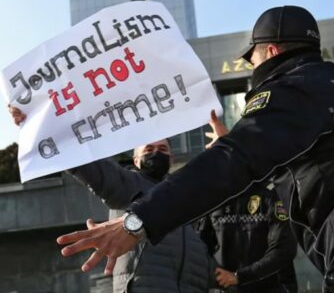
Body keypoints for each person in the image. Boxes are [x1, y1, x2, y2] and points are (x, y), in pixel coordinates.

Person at [56, 5, 334, 285]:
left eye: (251, 58)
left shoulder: (294, 90)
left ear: (269, 51)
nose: (251, 66)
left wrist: (136, 223)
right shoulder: (328, 87)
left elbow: (235, 163)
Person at [10, 107, 217, 293]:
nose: (156, 153)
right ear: (136, 160)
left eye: (163, 150)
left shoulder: (185, 197)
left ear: (172, 159)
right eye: (148, 150)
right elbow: (84, 160)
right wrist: (39, 124)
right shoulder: (127, 185)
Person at [200, 111, 298, 293]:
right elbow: (200, 246)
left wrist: (239, 277)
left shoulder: (272, 191)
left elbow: (283, 250)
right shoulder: (212, 198)